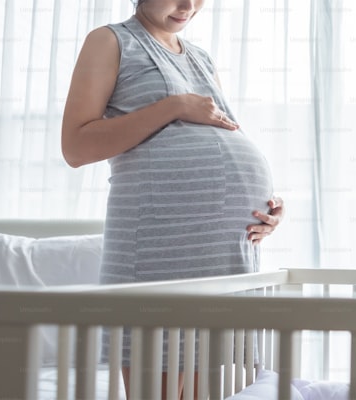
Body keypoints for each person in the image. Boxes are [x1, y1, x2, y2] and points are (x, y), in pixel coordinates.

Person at [61, 0, 283, 398]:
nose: (188, 5)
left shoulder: (200, 58)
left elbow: (224, 132)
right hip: (159, 252)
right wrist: (173, 106)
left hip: (221, 253)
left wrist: (267, 206)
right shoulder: (112, 41)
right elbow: (76, 147)